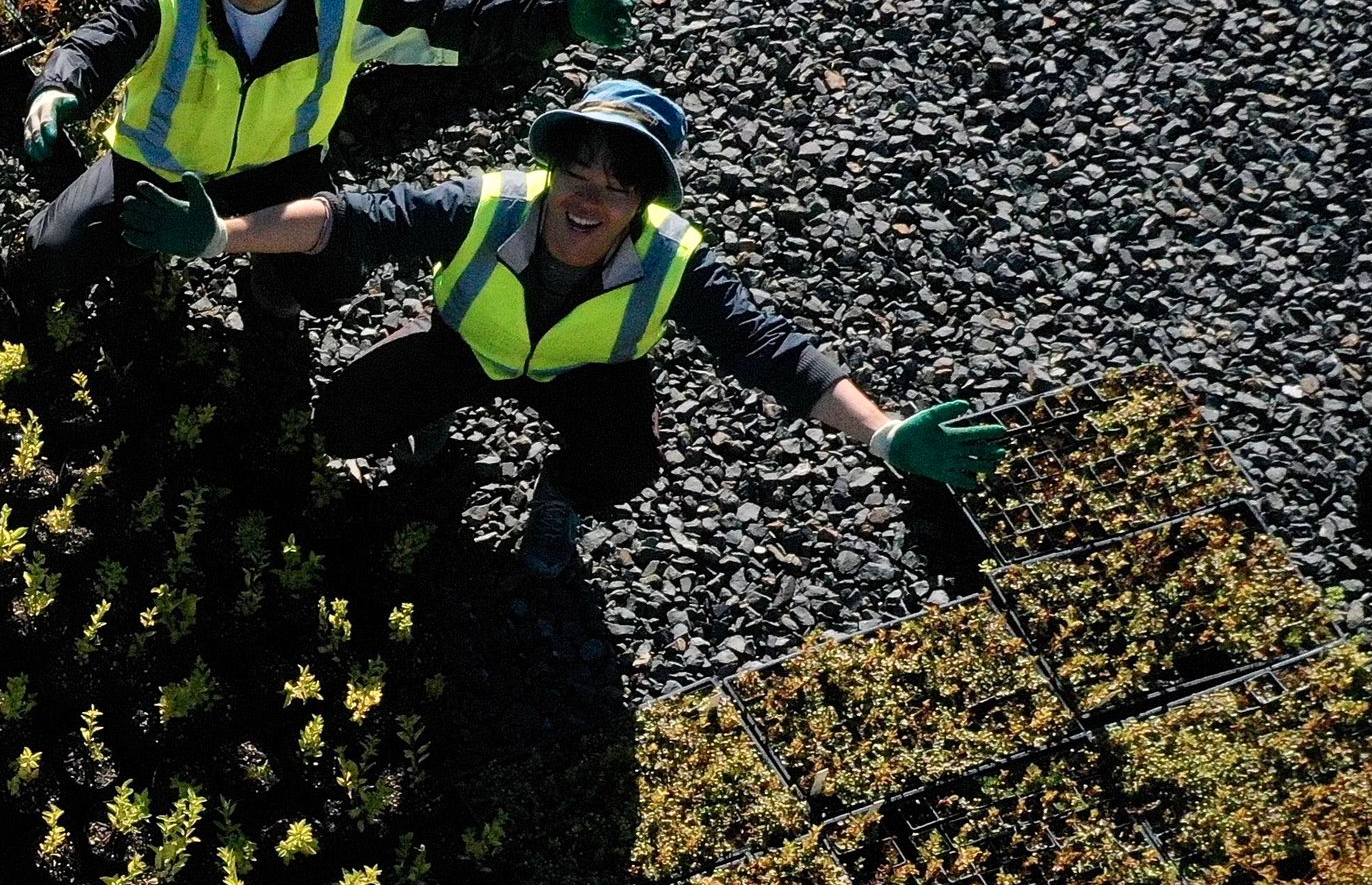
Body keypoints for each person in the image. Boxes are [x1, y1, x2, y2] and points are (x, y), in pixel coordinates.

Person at [134, 79, 1010, 576]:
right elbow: (348, 218)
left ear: (643, 203)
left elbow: (770, 351)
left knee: (625, 462)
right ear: (550, 170)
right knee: (344, 420)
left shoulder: (677, 262)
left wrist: (885, 434)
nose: (587, 197)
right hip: (467, 348)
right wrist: (222, 236)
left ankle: (557, 501)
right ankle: (427, 422)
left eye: (616, 184)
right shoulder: (486, 205)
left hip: (590, 380)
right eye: (576, 169)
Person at [17, 0, 635, 313]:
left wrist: (558, 16)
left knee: (331, 279)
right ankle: (144, 259)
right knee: (49, 260)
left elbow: (454, 15)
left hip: (279, 176)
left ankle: (268, 284)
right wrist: (55, 89)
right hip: (158, 171)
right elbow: (100, 41)